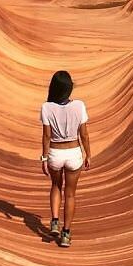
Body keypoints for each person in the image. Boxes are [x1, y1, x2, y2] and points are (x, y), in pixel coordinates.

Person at [39, 70, 91, 247]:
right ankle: (66, 234)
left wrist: (44, 158)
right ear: (69, 89)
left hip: (55, 153)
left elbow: (46, 136)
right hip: (73, 153)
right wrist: (88, 154)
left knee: (55, 186)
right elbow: (84, 134)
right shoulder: (79, 106)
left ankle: (54, 221)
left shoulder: (46, 107)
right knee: (70, 194)